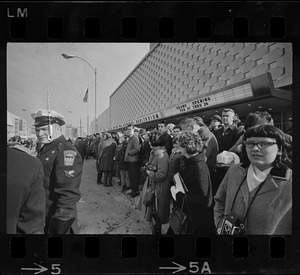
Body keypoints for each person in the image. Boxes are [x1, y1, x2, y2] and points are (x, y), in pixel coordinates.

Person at [214, 125, 292, 235]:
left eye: (264, 144)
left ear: (279, 149)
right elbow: (219, 200)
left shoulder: (289, 183)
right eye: (250, 143)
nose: (255, 148)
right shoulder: (234, 171)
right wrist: (220, 225)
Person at [32, 109, 82, 234]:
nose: (39, 133)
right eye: (37, 130)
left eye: (44, 129)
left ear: (58, 129)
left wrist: (57, 228)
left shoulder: (65, 151)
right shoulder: (47, 148)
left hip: (54, 219)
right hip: (42, 213)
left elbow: (68, 196)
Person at [170, 130, 215, 235]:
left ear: (186, 148)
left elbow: (203, 199)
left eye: (180, 146)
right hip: (191, 216)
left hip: (195, 221)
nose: (178, 149)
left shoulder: (197, 167)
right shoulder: (192, 162)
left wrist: (178, 195)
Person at [7, 147, 46, 234]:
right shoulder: (28, 164)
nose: (40, 134)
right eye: (37, 131)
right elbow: (32, 228)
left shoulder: (28, 164)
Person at [138, 139, 170, 234]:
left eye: (152, 145)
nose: (151, 147)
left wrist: (149, 172)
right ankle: (154, 227)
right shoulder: (156, 153)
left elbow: (161, 174)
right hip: (154, 184)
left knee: (157, 208)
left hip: (159, 186)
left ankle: (156, 230)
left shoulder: (161, 156)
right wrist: (148, 167)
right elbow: (154, 166)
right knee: (152, 207)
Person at [124, 124, 141, 198]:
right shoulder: (130, 138)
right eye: (128, 129)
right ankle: (133, 190)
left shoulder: (134, 138)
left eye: (130, 129)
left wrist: (130, 153)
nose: (129, 130)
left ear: (133, 130)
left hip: (133, 160)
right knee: (131, 176)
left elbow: (137, 148)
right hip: (130, 160)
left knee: (134, 176)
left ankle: (136, 191)